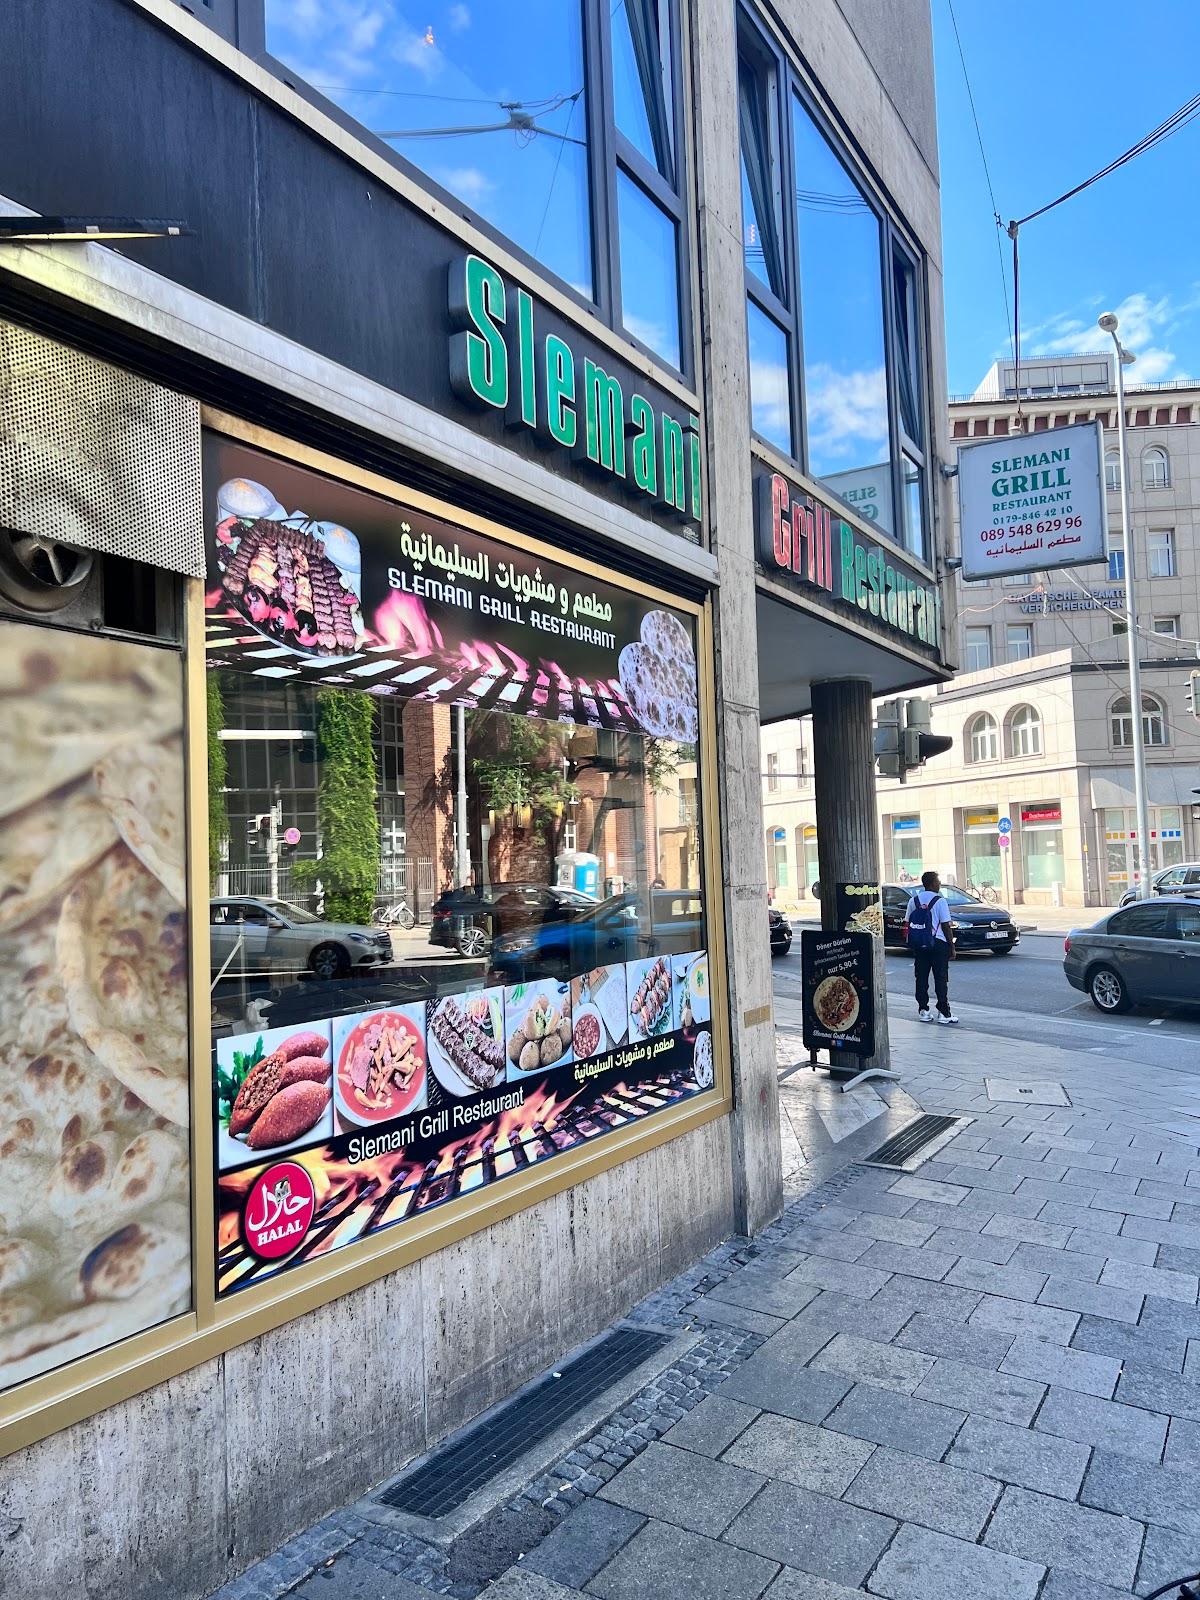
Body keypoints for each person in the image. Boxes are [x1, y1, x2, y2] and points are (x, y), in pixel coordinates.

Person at [903, 870, 958, 1025]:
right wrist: (952, 946)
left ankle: (923, 1010)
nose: (939, 884)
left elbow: (908, 923)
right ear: (933, 884)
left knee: (921, 977)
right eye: (938, 882)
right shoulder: (940, 901)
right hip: (938, 943)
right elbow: (946, 925)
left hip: (920, 943)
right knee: (940, 977)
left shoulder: (913, 901)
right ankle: (943, 1013)